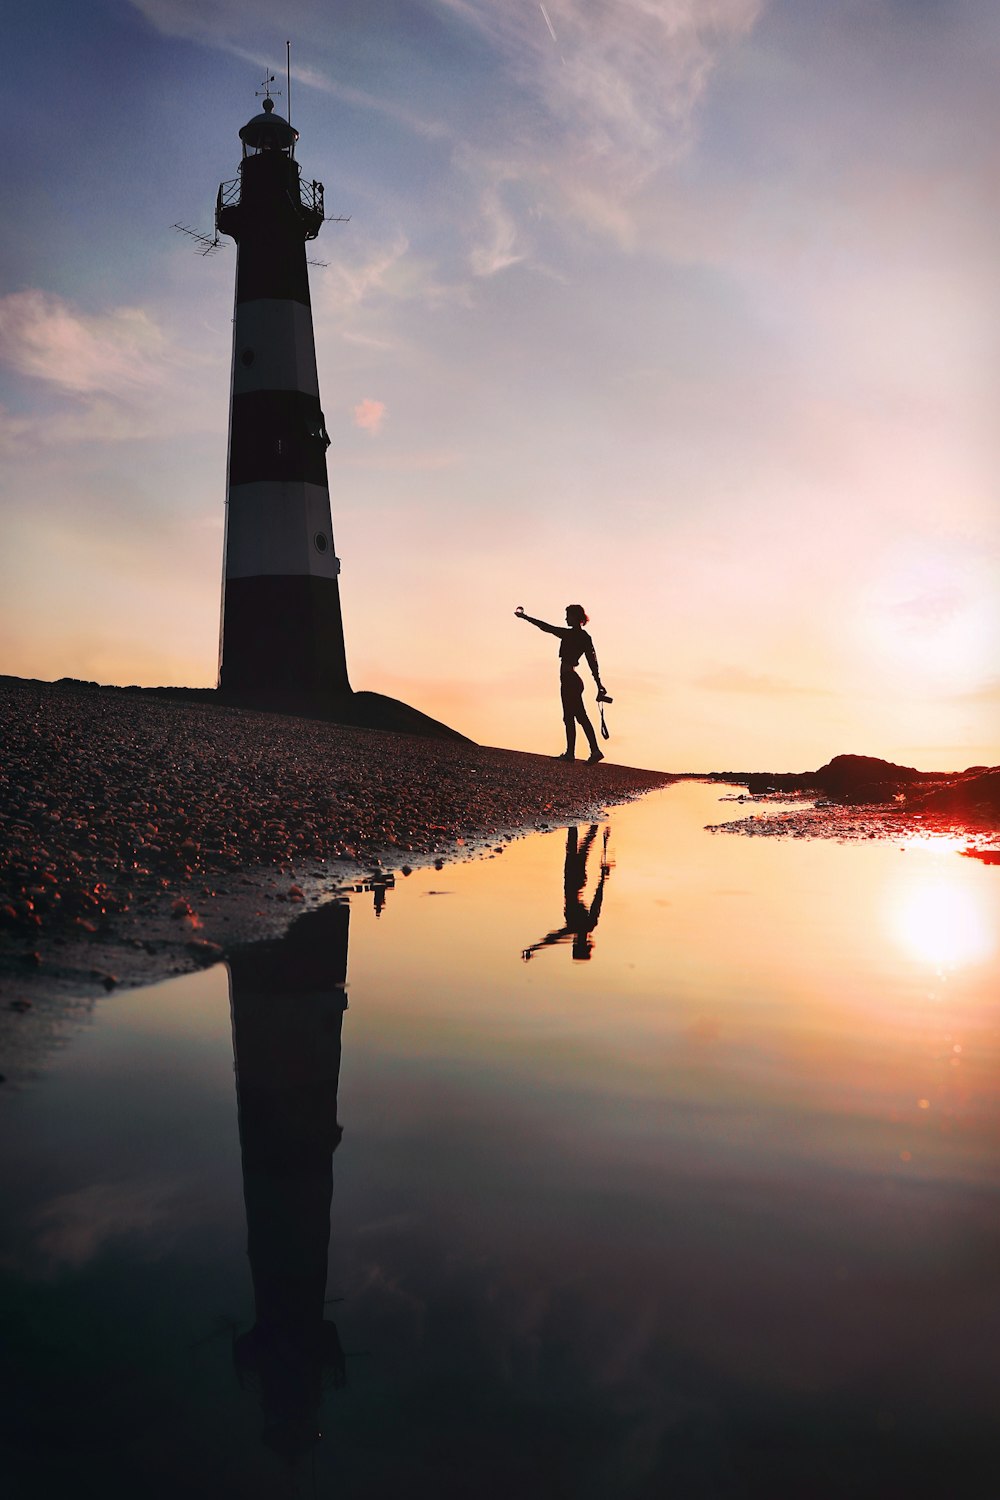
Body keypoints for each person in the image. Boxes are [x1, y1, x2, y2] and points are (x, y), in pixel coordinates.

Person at [515, 603, 606, 762]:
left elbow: (546, 627)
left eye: (568, 616)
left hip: (569, 680)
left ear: (576, 617)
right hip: (573, 680)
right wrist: (599, 685)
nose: (565, 619)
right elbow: (593, 662)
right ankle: (587, 751)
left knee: (574, 717)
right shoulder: (584, 637)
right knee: (575, 716)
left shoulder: (571, 635)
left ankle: (578, 753)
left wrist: (525, 617)